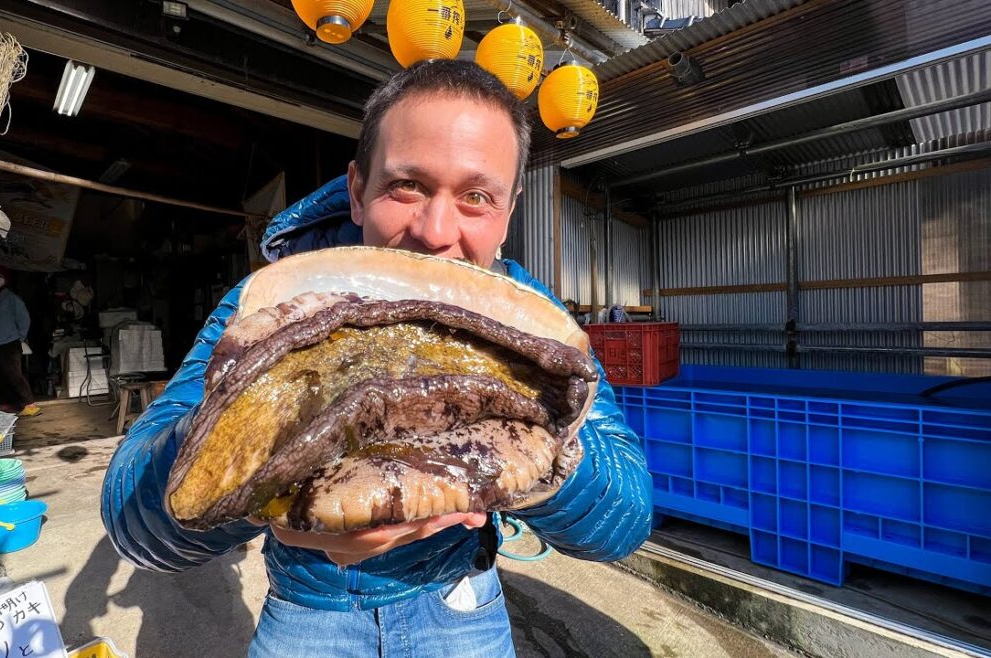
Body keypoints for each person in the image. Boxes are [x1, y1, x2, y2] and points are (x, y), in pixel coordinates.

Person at [102, 59, 652, 657]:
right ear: (357, 190)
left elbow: (625, 518)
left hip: (463, 604)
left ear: (509, 210)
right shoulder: (269, 302)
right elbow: (135, 524)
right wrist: (259, 448)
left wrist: (532, 447)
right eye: (407, 185)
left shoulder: (536, 322)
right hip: (306, 614)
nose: (436, 230)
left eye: (476, 196)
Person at [0, 266, 41, 418]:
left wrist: (20, 337)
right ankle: (6, 404)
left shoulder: (11, 298)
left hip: (10, 343)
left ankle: (30, 404)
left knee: (14, 374)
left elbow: (24, 319)